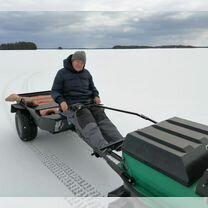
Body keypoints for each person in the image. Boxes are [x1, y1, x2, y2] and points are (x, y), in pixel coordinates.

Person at [51, 51, 123, 151]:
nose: (79, 64)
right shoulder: (62, 73)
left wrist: (96, 95)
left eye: (82, 62)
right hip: (73, 105)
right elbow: (55, 91)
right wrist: (61, 101)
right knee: (89, 121)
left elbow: (92, 88)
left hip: (89, 103)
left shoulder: (86, 73)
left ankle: (119, 141)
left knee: (102, 118)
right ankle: (102, 146)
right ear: (72, 61)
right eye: (77, 61)